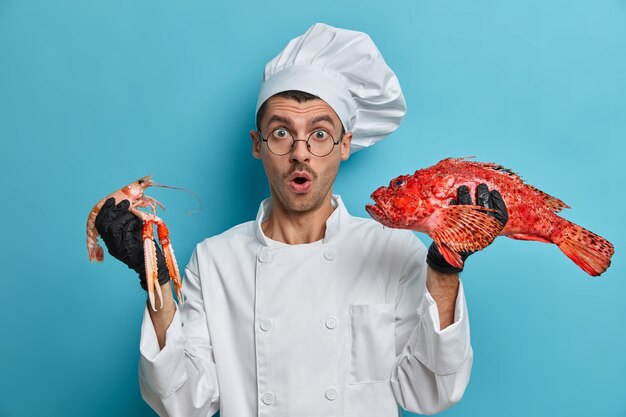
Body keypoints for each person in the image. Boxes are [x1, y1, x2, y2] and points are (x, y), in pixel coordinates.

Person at [95, 23, 507, 417]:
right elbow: (181, 404)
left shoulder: (392, 250)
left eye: (321, 133)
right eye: (280, 133)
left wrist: (445, 271)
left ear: (345, 145)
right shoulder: (216, 261)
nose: (300, 152)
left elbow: (431, 391)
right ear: (257, 146)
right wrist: (157, 280)